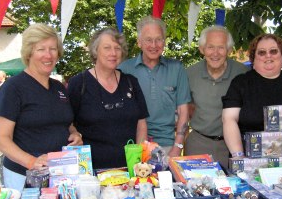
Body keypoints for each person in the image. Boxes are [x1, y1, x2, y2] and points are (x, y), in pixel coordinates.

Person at [0, 23, 83, 192]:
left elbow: (64, 122)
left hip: (60, 174)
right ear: (29, 53)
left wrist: (74, 134)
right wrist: (31, 162)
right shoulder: (12, 88)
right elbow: (1, 140)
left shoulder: (59, 87)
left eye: (53, 49)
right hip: (24, 176)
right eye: (41, 49)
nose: (48, 55)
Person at [222, 33, 282, 159]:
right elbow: (229, 119)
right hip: (251, 160)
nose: (268, 55)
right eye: (261, 52)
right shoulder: (241, 83)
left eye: (273, 51)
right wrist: (239, 156)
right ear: (253, 58)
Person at [67, 27, 149, 170]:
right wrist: (74, 133)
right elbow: (67, 121)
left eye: (117, 48)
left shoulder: (131, 82)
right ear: (95, 50)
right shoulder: (79, 83)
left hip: (129, 168)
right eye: (107, 48)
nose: (113, 53)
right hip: (90, 171)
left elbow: (141, 124)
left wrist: (138, 160)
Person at [119, 16, 191, 157]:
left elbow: (184, 112)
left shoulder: (177, 68)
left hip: (168, 147)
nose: (154, 45)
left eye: (158, 39)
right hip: (133, 146)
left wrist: (178, 147)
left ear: (164, 42)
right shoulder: (124, 69)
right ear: (139, 42)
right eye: (148, 40)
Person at [184, 26, 249, 168]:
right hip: (198, 143)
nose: (215, 53)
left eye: (221, 47)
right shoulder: (189, 74)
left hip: (232, 147)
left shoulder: (243, 74)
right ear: (202, 49)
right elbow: (186, 110)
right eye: (210, 47)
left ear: (229, 50)